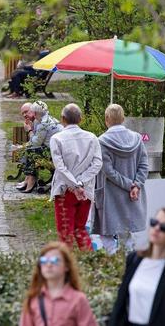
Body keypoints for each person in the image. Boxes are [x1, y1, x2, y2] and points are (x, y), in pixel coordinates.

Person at [109, 207, 165, 326]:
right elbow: (120, 304)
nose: (156, 228)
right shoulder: (135, 259)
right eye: (154, 222)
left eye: (164, 227)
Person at [93, 104, 149, 255]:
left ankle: (114, 261)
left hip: (110, 195)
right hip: (133, 195)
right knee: (127, 232)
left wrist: (129, 185)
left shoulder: (102, 141)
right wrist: (135, 185)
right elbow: (144, 165)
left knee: (106, 232)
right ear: (123, 119)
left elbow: (108, 171)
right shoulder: (137, 139)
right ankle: (128, 262)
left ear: (106, 120)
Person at [49, 103, 102, 250]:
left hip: (65, 190)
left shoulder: (57, 139)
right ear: (80, 118)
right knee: (80, 229)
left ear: (63, 119)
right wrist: (81, 182)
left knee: (65, 233)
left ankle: (66, 267)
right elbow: (97, 163)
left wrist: (74, 184)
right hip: (86, 191)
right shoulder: (92, 138)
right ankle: (91, 261)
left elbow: (60, 167)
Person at [20, 242, 97, 326]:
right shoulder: (33, 299)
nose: (48, 265)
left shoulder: (78, 299)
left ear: (66, 266)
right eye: (44, 260)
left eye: (55, 260)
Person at [17, 101, 62, 193]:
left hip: (56, 154)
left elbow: (35, 143)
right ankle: (28, 179)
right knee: (29, 150)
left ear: (36, 112)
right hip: (54, 150)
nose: (28, 114)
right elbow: (37, 141)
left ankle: (31, 180)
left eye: (30, 111)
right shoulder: (43, 120)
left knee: (30, 151)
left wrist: (29, 130)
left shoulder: (44, 123)